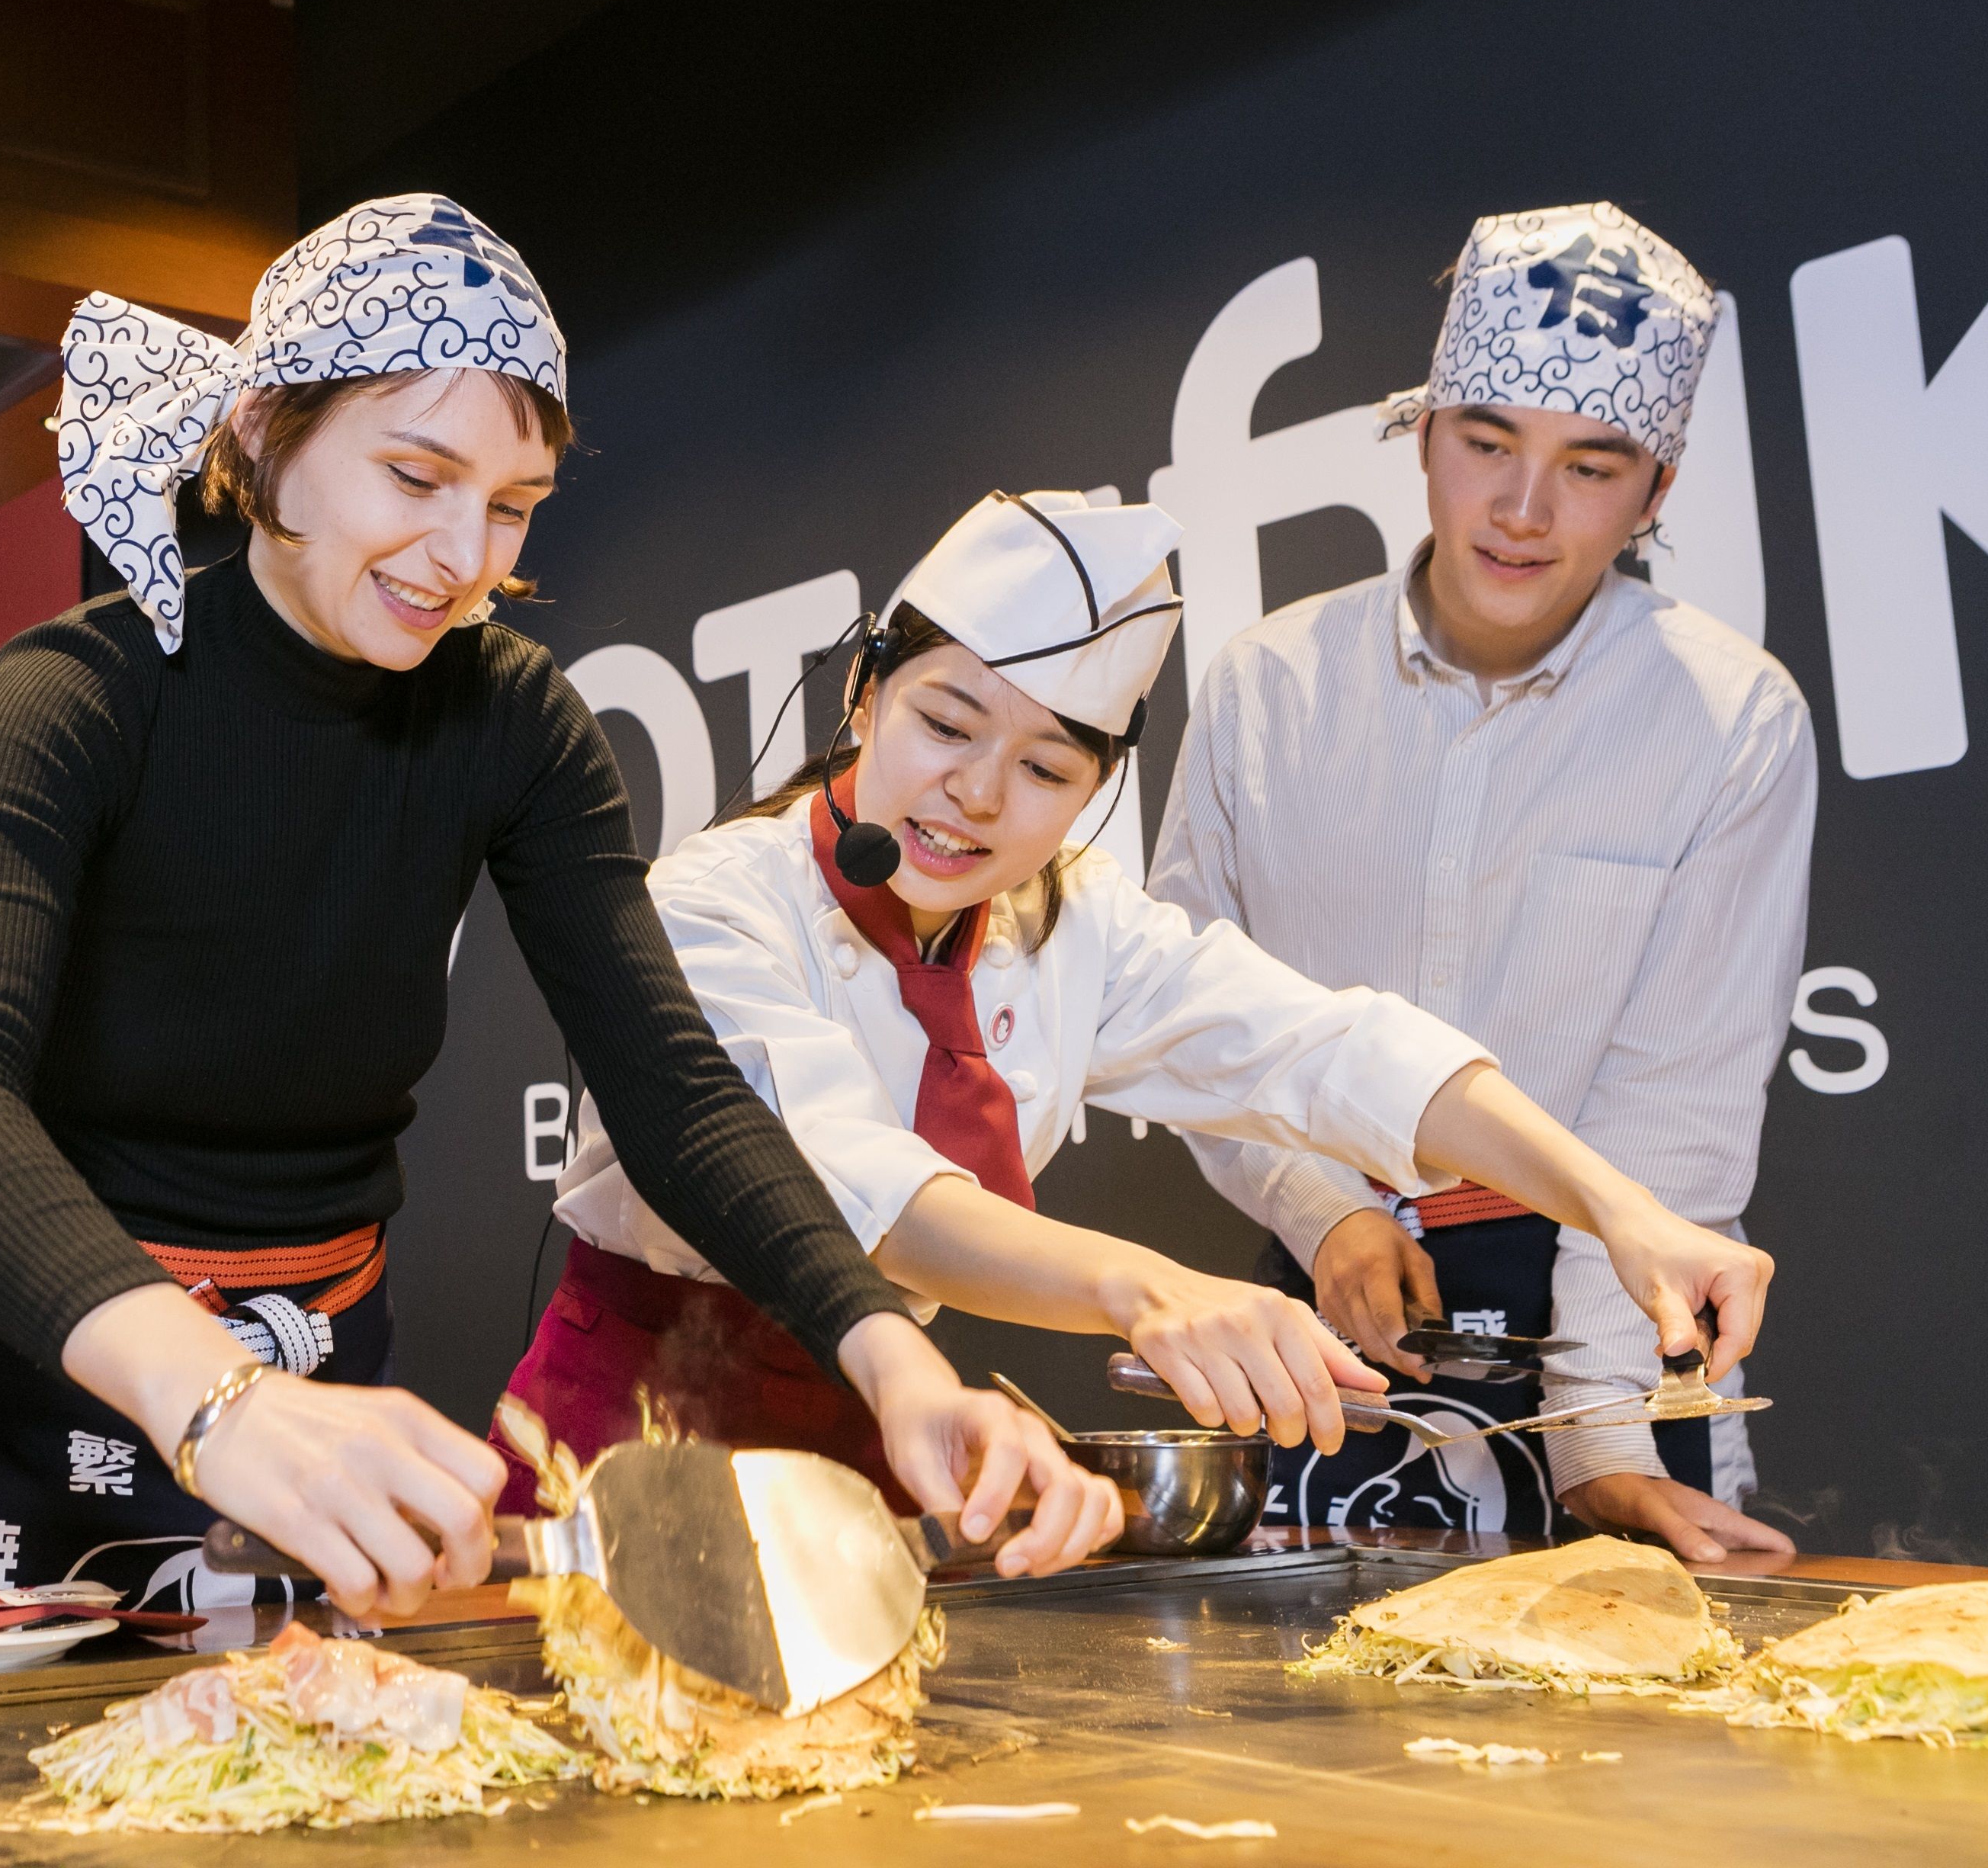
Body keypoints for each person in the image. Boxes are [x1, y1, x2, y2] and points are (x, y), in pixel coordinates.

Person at [0, 197, 1117, 1622]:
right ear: (267, 432)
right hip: (49, 1354)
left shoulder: (513, 722)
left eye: (510, 507)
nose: (463, 555)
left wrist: (891, 1358)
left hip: (308, 1358)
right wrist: (214, 1398)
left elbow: (678, 1095)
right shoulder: (80, 695)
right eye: (415, 475)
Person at [511, 489, 1778, 1514]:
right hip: (630, 1430)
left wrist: (1620, 1210)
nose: (977, 797)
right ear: (864, 695)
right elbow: (866, 1207)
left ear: (1097, 789)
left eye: (1046, 768)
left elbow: (1331, 1049)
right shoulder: (713, 905)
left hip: (885, 1439)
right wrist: (1147, 1288)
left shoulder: (1074, 917)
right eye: (946, 724)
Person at [1156, 201, 1816, 1559]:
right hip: (1334, 1313)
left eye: (1591, 465)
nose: (1522, 511)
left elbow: (1670, 1124)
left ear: (1658, 490)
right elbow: (1187, 1014)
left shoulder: (1733, 721)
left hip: (1619, 1326)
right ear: (1425, 434)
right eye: (1487, 445)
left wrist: (1596, 1441)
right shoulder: (1268, 690)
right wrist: (1323, 1205)